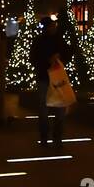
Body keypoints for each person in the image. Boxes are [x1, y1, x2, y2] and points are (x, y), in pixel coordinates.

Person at [31, 16, 72, 148]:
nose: (54, 28)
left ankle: (54, 137)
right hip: (46, 77)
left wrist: (59, 57)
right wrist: (48, 60)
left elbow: (68, 52)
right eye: (52, 26)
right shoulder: (41, 41)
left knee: (54, 109)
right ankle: (49, 137)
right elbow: (34, 58)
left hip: (53, 78)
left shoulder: (57, 40)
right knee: (47, 109)